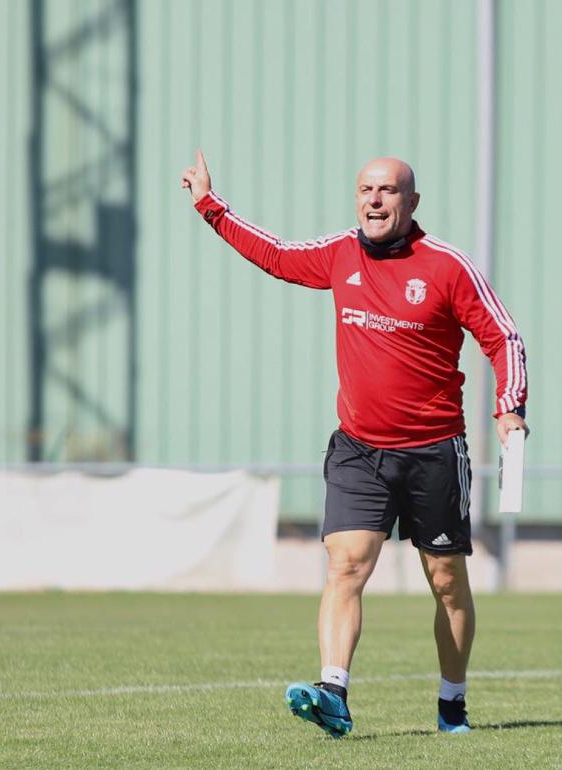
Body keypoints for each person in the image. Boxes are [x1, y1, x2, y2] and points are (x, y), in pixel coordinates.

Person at [181, 150, 528, 737]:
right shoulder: (340, 253)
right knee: (346, 566)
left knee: (446, 581)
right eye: (366, 189)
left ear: (411, 202)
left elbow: (504, 335)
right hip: (359, 448)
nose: (374, 200)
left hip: (434, 450)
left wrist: (509, 407)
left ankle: (452, 702)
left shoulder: (446, 267)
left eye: (388, 191)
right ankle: (333, 692)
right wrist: (210, 207)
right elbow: (278, 255)